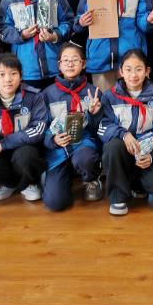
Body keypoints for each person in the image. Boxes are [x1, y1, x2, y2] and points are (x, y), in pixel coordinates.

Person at [99, 49, 153, 216]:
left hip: (146, 152)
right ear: (121, 72)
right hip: (121, 152)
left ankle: (137, 184)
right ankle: (118, 197)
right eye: (128, 69)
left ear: (147, 71)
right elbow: (103, 126)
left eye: (139, 69)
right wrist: (124, 134)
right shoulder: (110, 96)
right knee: (113, 146)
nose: (133, 75)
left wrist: (152, 156)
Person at [0, 54, 48, 203]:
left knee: (26, 157)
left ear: (21, 76)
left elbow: (39, 129)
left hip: (25, 147)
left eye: (13, 74)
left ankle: (30, 182)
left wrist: (4, 143)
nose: (8, 79)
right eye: (2, 75)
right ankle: (12, 185)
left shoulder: (34, 96)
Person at [0, 0, 73, 90]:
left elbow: (69, 23)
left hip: (55, 66)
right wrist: (21, 35)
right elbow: (2, 28)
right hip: (25, 70)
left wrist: (55, 36)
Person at [41, 42, 104, 211]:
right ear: (59, 64)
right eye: (66, 60)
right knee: (55, 203)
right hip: (58, 150)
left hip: (84, 145)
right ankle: (60, 178)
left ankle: (91, 179)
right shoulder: (47, 94)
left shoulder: (93, 92)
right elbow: (40, 126)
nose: (70, 64)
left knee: (85, 159)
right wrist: (52, 139)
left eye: (75, 60)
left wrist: (95, 114)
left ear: (83, 64)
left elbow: (101, 130)